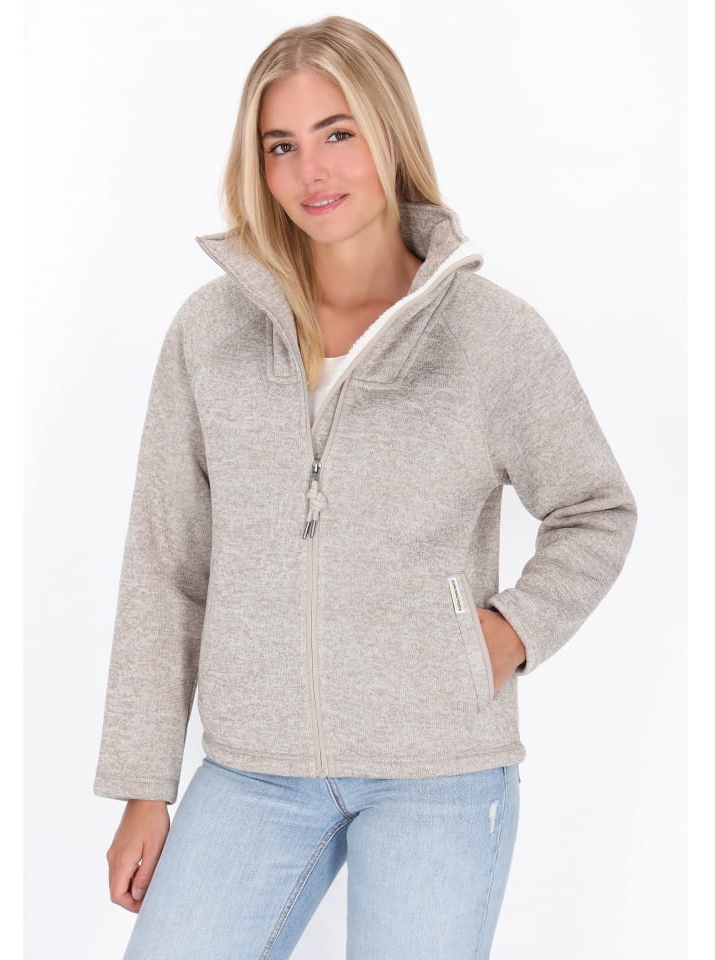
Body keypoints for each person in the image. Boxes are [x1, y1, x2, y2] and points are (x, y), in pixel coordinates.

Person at [93, 15, 638, 959]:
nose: (312, 171)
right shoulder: (210, 334)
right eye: (281, 146)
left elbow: (596, 510)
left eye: (337, 132)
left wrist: (505, 635)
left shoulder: (490, 336)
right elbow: (165, 562)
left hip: (439, 771)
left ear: (389, 132)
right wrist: (145, 785)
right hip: (253, 768)